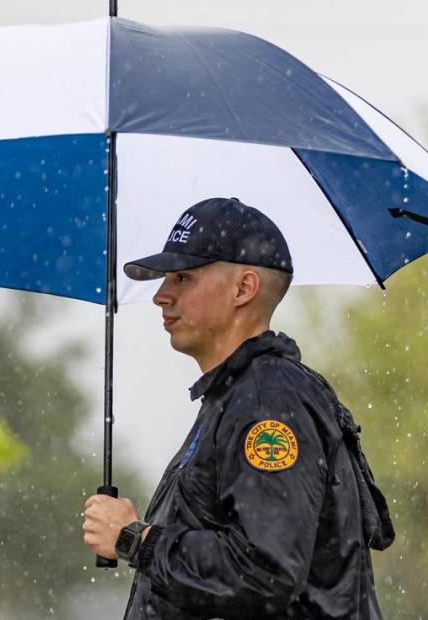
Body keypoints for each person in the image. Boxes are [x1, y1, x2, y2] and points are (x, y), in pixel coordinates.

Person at [82, 197, 394, 619]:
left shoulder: (269, 402)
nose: (161, 296)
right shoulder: (239, 396)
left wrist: (136, 539)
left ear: (244, 288)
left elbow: (266, 571)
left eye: (182, 278)